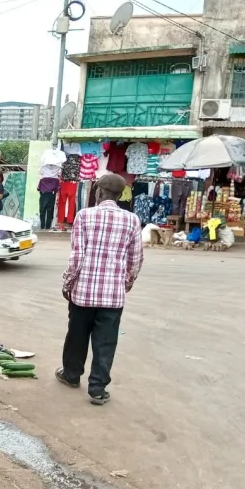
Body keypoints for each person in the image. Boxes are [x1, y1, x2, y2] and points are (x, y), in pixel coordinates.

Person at [56, 174, 144, 405]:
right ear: (120, 195)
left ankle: (72, 375)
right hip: (113, 296)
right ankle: (97, 389)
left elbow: (77, 257)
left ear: (98, 192)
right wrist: (125, 283)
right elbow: (135, 261)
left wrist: (68, 284)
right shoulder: (132, 220)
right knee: (106, 342)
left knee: (76, 336)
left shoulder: (84, 216)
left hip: (83, 292)